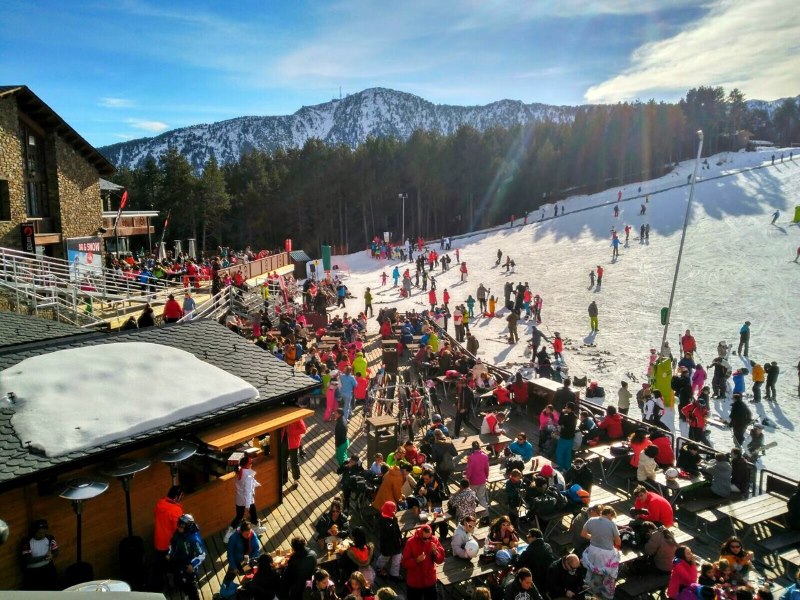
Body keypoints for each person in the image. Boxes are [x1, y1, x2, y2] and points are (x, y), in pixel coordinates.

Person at [580, 506, 621, 600]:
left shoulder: (591, 520)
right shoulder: (611, 524)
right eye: (612, 517)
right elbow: (618, 542)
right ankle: (605, 595)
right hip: (606, 553)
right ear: (609, 514)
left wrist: (594, 538)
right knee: (605, 575)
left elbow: (583, 534)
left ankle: (591, 591)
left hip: (592, 550)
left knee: (592, 571)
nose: (612, 519)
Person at [224, 455, 263, 543]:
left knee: (239, 516)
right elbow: (248, 491)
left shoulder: (241, 472)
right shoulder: (248, 476)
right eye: (250, 463)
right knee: (253, 513)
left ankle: (228, 534)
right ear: (247, 465)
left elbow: (248, 484)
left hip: (239, 499)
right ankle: (256, 528)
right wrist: (248, 505)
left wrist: (257, 483)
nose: (252, 464)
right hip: (247, 500)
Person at [152, 485, 184, 590]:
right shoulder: (175, 511)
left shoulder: (159, 503)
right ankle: (174, 584)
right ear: (176, 497)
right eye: (180, 496)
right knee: (174, 565)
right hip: (169, 544)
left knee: (159, 565)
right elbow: (178, 529)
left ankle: (158, 585)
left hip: (158, 541)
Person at [168, 514, 207, 600]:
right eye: (179, 525)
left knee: (190, 585)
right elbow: (173, 543)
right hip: (178, 560)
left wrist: (192, 565)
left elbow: (202, 555)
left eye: (182, 526)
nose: (179, 528)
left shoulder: (194, 539)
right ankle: (186, 593)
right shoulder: (178, 533)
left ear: (187, 527)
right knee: (178, 580)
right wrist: (170, 553)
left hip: (189, 563)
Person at [401, 525, 445, 600]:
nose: (427, 540)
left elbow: (440, 560)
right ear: (420, 535)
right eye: (425, 538)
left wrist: (435, 552)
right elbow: (404, 563)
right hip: (415, 582)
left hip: (430, 580)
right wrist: (416, 560)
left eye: (429, 538)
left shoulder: (434, 540)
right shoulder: (411, 542)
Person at [21, 519, 59, 591]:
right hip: (34, 572)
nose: (42, 535)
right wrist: (44, 557)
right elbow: (27, 559)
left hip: (48, 568)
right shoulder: (27, 542)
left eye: (44, 532)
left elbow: (56, 551)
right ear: (34, 532)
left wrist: (52, 555)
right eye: (40, 533)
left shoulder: (50, 538)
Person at [222, 520, 261, 587]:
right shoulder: (234, 538)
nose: (248, 535)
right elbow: (230, 554)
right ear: (241, 532)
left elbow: (256, 549)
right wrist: (234, 567)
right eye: (246, 534)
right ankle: (225, 589)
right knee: (228, 578)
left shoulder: (252, 534)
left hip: (246, 562)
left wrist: (252, 559)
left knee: (249, 576)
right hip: (235, 562)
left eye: (249, 533)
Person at [374, 501, 403, 581]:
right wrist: (394, 521)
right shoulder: (384, 522)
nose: (395, 511)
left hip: (394, 544)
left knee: (396, 558)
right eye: (394, 509)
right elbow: (392, 532)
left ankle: (394, 574)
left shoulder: (389, 518)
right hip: (388, 545)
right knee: (385, 558)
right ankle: (379, 568)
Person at [466, 440, 490, 511]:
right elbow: (487, 468)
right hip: (482, 479)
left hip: (473, 481)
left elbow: (469, 470)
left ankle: (471, 512)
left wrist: (467, 478)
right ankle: (486, 515)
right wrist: (486, 476)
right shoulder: (485, 456)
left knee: (471, 497)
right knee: (482, 497)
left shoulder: (471, 458)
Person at [556, 402, 578, 471]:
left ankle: (560, 468)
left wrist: (562, 413)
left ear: (569, 408)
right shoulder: (575, 416)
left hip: (564, 438)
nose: (565, 408)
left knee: (559, 453)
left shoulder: (566, 416)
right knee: (568, 454)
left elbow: (559, 422)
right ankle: (567, 467)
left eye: (566, 407)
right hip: (571, 438)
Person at [285, 418, 307, 489]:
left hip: (293, 443)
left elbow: (303, 429)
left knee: (294, 462)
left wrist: (291, 432)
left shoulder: (297, 418)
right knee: (283, 461)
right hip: (284, 443)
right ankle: (284, 478)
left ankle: (296, 480)